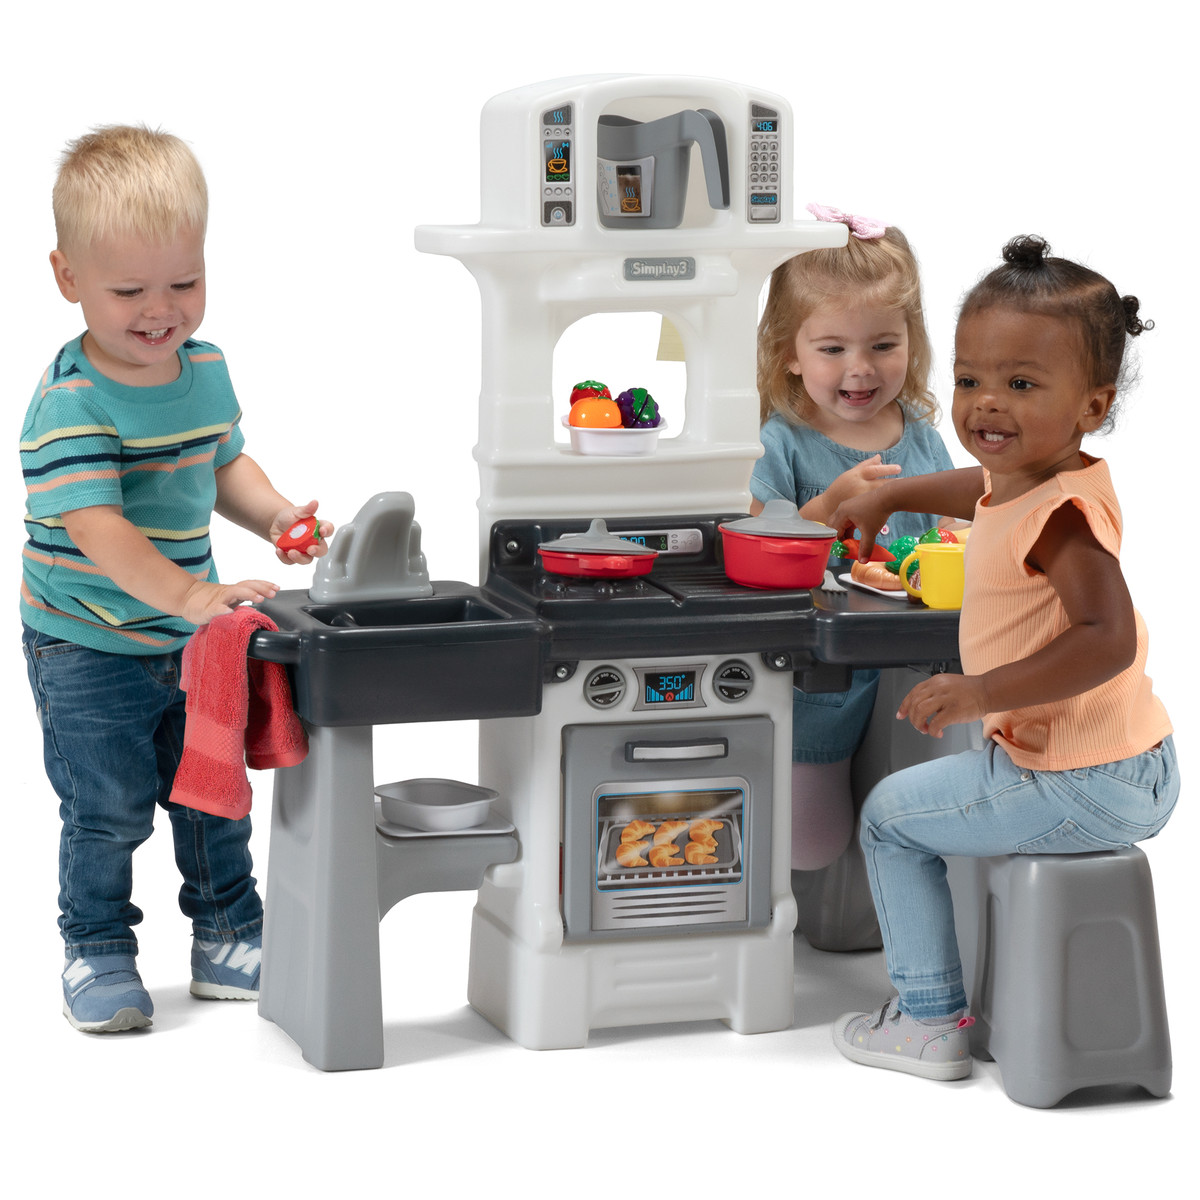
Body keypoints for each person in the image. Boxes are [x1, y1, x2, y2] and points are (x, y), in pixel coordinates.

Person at [827, 235, 1177, 1081]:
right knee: (926, 796)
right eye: (972, 379)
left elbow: (1107, 637)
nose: (988, 404)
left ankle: (927, 1019)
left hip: (1074, 777)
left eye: (1021, 384)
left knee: (886, 817)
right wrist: (896, 491)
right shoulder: (1033, 478)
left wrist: (979, 689)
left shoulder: (1062, 520)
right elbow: (978, 492)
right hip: (1126, 761)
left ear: (1092, 405)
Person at [20, 125, 332, 1033]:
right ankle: (98, 946)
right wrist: (195, 596)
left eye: (184, 283)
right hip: (89, 642)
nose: (162, 310)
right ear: (68, 277)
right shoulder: (69, 404)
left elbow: (221, 462)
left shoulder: (204, 367)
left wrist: (273, 514)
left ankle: (229, 932)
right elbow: (103, 531)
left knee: (211, 791)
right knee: (107, 808)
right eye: (129, 291)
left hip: (193, 637)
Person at [752, 204, 956, 872]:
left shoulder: (921, 435)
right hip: (824, 672)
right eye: (833, 349)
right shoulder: (783, 438)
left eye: (882, 346)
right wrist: (834, 502)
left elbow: (961, 523)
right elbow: (761, 538)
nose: (860, 369)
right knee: (810, 846)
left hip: (922, 663)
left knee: (920, 805)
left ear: (912, 342)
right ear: (789, 353)